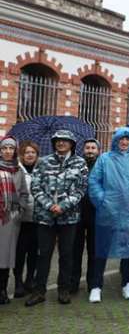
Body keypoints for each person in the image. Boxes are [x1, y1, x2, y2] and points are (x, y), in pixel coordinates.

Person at [88, 128, 129, 303]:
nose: (124, 142)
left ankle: (127, 282)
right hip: (108, 210)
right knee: (101, 248)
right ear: (115, 140)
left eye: (127, 139)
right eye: (121, 139)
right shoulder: (105, 159)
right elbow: (94, 181)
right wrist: (102, 200)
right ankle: (96, 285)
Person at [26, 131, 87, 307]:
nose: (61, 144)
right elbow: (35, 187)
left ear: (72, 144)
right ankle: (39, 291)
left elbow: (81, 189)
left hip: (68, 218)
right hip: (45, 217)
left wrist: (63, 205)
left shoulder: (79, 163)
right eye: (58, 141)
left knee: (67, 255)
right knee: (43, 254)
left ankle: (63, 289)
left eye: (64, 141)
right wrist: (49, 205)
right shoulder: (43, 162)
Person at [0, 136, 29, 304]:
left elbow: (24, 193)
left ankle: (3, 290)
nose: (8, 151)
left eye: (11, 148)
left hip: (10, 219)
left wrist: (20, 210)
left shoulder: (18, 170)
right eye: (4, 148)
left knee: (6, 256)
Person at [70, 138, 100, 295]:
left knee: (93, 250)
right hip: (78, 211)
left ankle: (92, 283)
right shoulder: (77, 165)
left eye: (93, 148)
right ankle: (73, 282)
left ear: (98, 150)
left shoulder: (102, 166)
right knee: (76, 249)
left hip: (95, 212)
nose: (90, 150)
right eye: (87, 147)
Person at [13, 140, 39, 299]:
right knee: (19, 253)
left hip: (37, 218)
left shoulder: (42, 169)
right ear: (21, 155)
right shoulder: (15, 170)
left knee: (34, 252)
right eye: (27, 152)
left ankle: (30, 280)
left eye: (33, 152)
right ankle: (18, 282)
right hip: (19, 220)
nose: (30, 155)